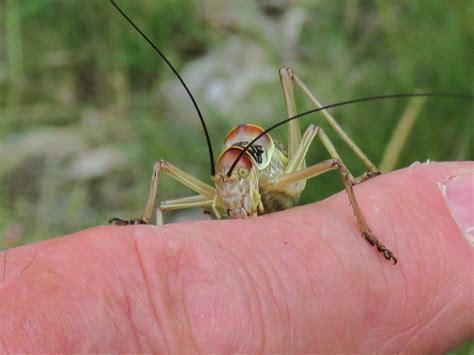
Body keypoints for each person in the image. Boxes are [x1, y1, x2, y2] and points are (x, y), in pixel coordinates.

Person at [1, 162, 472, 352]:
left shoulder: (268, 173)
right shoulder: (220, 185)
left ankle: (369, 172)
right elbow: (163, 189)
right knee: (165, 198)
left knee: (330, 155)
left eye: (231, 186)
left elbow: (328, 168)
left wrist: (368, 230)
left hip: (278, 178)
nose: (225, 195)